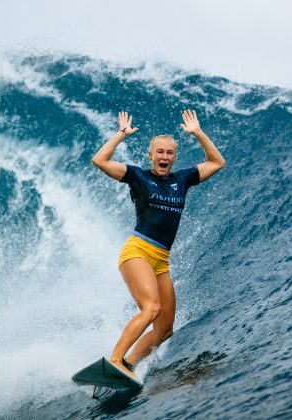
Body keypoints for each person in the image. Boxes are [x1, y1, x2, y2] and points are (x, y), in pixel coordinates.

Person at [91, 109, 225, 380]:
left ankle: (128, 366)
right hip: (138, 251)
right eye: (159, 152)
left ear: (174, 157)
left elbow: (217, 162)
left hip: (161, 260)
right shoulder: (138, 176)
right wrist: (121, 135)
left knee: (164, 328)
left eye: (169, 153)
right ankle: (115, 359)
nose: (164, 157)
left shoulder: (182, 179)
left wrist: (197, 132)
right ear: (151, 155)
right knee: (151, 308)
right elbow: (100, 160)